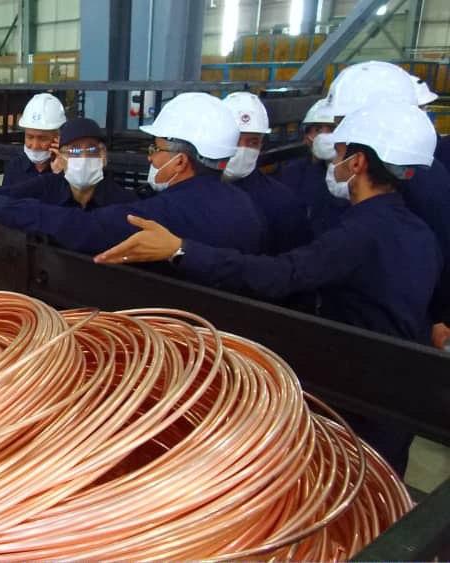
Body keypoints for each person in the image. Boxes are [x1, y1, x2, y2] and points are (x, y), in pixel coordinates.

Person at [94, 102, 442, 476]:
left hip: (357, 396)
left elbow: (281, 275)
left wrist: (181, 250)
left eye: (339, 154)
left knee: (344, 483)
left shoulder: (358, 235)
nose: (334, 163)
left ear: (357, 163)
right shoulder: (419, 232)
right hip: (398, 393)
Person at [0, 92, 265, 257]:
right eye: (75, 151)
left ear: (179, 162)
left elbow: (83, 228)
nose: (150, 157)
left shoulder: (156, 211)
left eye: (156, 148)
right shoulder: (246, 208)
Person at [319, 60, 450, 348]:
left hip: (396, 331)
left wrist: (441, 317)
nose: (337, 134)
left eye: (342, 123)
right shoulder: (392, 172)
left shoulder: (423, 183)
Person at [222, 92, 311, 254]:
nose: (242, 149)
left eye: (253, 142)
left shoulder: (282, 202)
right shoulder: (196, 191)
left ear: (262, 144)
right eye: (235, 139)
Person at [0, 117, 137, 210]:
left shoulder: (124, 203)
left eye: (92, 150)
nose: (83, 157)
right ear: (62, 156)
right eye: (74, 150)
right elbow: (4, 197)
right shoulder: (47, 189)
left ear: (103, 156)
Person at [275, 99, 347, 237]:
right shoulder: (291, 173)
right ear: (306, 138)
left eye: (332, 129)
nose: (324, 136)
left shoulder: (353, 177)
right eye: (318, 130)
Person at [2, 93, 67, 186]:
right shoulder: (15, 167)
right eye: (30, 137)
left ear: (58, 137)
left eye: (43, 139)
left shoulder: (70, 169)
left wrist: (60, 174)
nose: (35, 146)